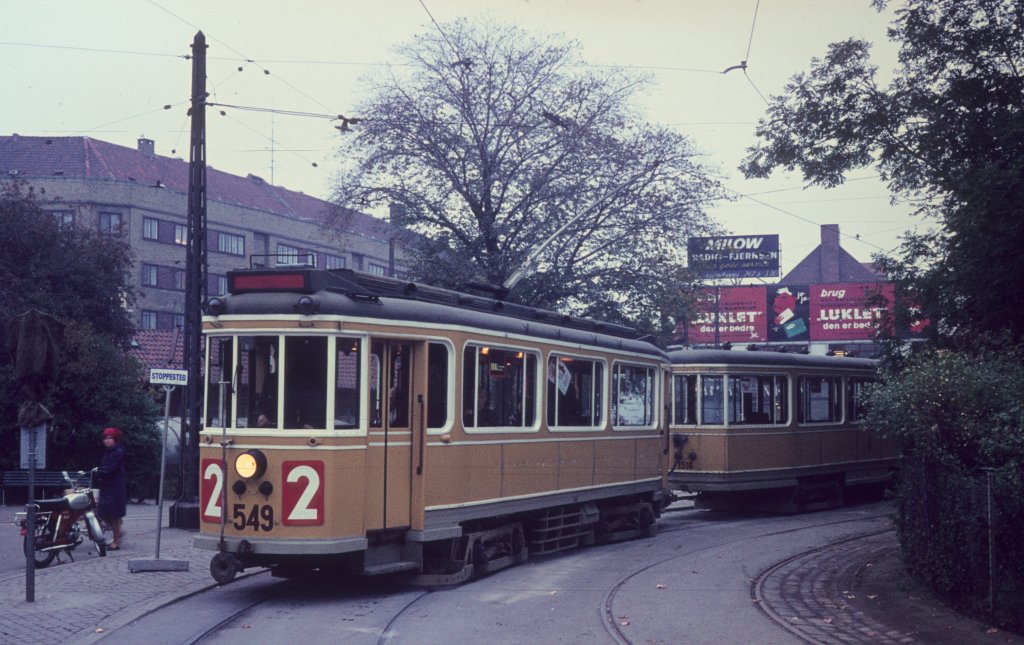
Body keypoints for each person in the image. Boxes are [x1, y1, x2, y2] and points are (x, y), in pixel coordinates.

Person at [95, 426, 127, 550]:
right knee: (103, 513)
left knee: (113, 514)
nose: (107, 441)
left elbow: (111, 468)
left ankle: (116, 541)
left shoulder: (118, 451)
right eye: (105, 438)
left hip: (115, 486)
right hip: (107, 485)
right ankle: (118, 532)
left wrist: (100, 473)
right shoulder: (108, 451)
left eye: (110, 438)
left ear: (115, 439)